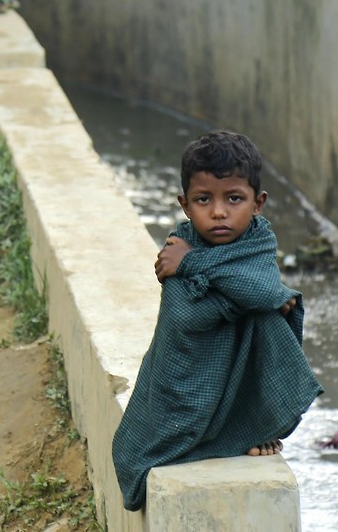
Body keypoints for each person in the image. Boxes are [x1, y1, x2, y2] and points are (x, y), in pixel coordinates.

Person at [111, 130, 323, 512]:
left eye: (234, 199)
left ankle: (255, 424)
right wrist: (247, 297)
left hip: (235, 374)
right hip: (187, 380)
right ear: (185, 205)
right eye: (204, 200)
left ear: (258, 204)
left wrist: (195, 265)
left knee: (271, 319)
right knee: (269, 308)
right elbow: (187, 315)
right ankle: (230, 431)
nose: (219, 212)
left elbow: (263, 290)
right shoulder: (178, 243)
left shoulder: (256, 241)